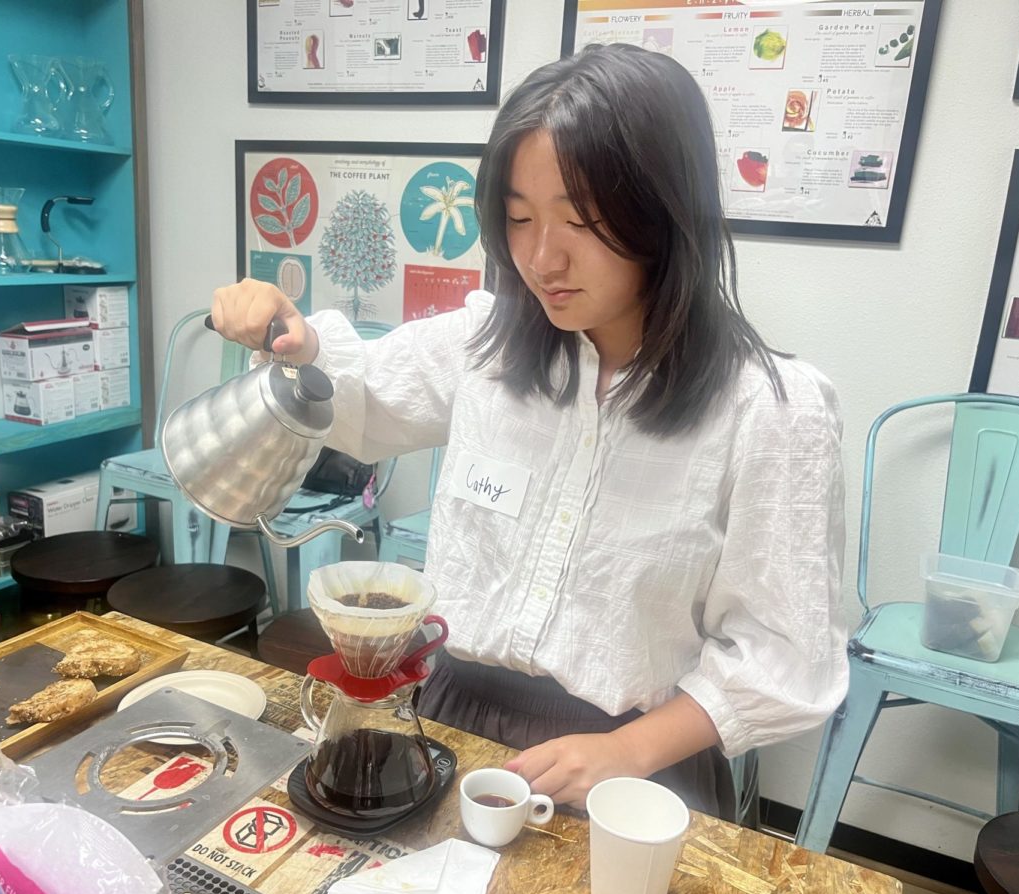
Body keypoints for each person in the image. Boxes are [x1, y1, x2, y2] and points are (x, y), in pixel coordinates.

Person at [212, 43, 848, 821]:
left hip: (632, 764)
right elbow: (365, 395)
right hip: (445, 716)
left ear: (665, 212)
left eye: (582, 220)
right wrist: (294, 337)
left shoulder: (770, 410)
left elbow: (782, 655)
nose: (542, 258)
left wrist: (627, 751)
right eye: (518, 218)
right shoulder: (488, 344)